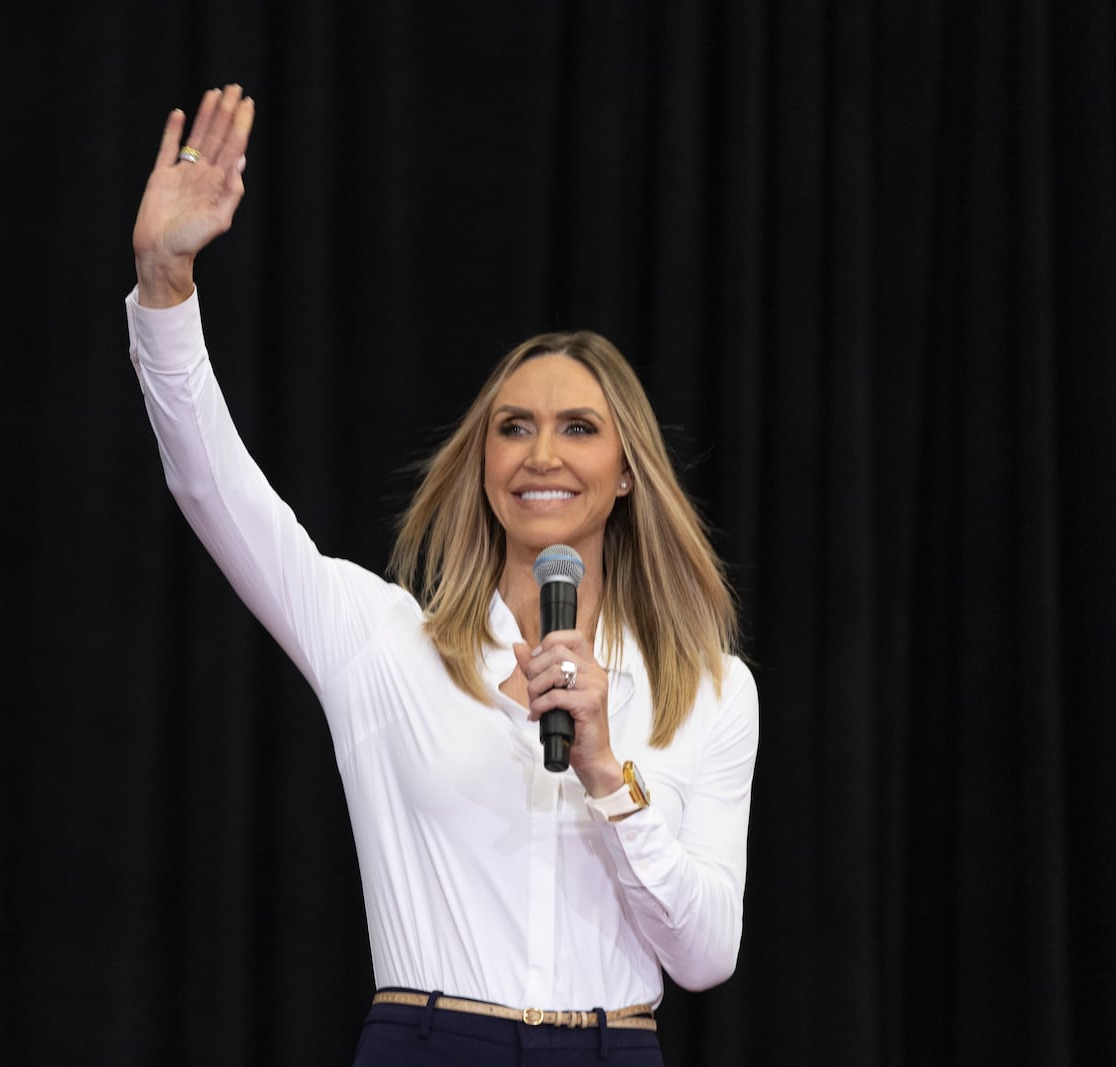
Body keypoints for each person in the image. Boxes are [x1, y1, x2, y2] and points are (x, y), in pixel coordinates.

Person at [126, 84, 759, 1067]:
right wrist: (165, 284)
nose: (540, 452)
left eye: (577, 427)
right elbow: (213, 487)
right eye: (513, 427)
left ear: (628, 470)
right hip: (430, 1039)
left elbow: (706, 955)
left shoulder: (712, 689)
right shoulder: (378, 639)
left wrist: (607, 770)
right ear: (483, 464)